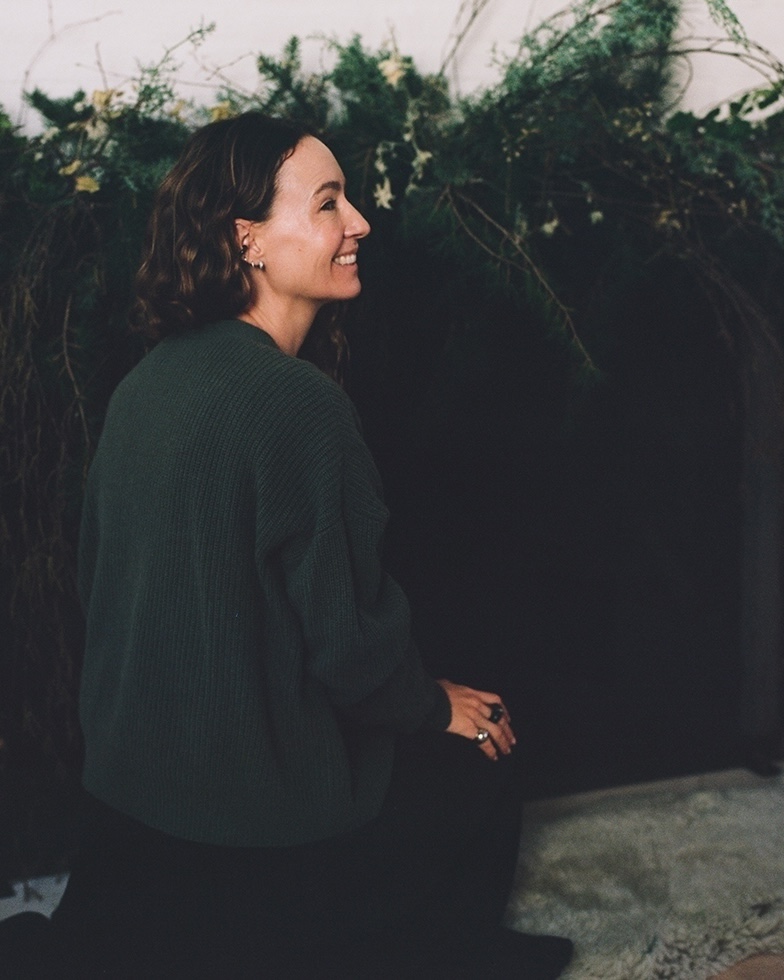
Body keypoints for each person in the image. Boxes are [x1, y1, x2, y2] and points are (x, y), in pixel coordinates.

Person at [40, 112, 573, 978]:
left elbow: (103, 589)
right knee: (485, 745)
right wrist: (433, 706)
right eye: (328, 203)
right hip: (252, 832)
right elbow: (351, 653)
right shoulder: (298, 405)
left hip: (128, 808)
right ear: (245, 239)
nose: (359, 222)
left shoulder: (145, 382)